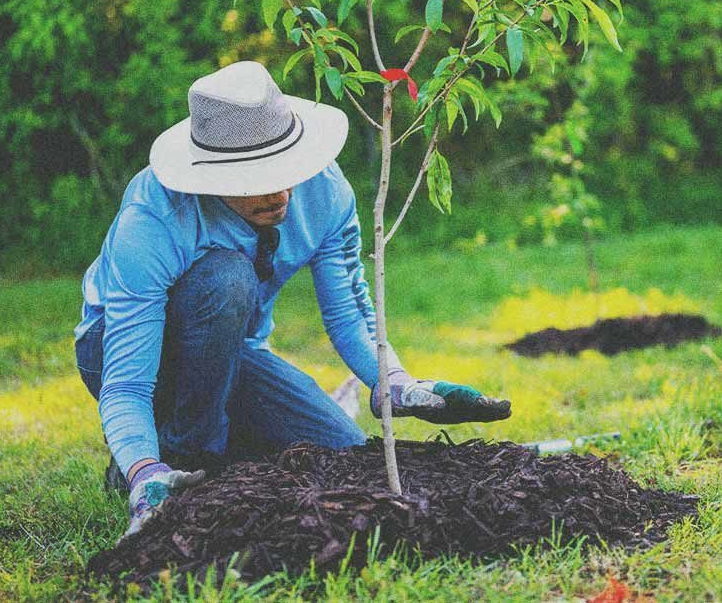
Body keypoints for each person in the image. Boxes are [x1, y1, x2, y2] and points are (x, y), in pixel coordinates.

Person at [73, 61, 510, 538]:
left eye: (286, 170)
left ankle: (203, 448)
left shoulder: (324, 192)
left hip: (233, 352)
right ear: (212, 177)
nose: (280, 191)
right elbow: (126, 383)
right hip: (122, 352)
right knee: (227, 278)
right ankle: (171, 460)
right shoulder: (156, 219)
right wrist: (143, 471)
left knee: (340, 452)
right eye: (254, 177)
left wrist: (395, 383)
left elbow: (349, 311)